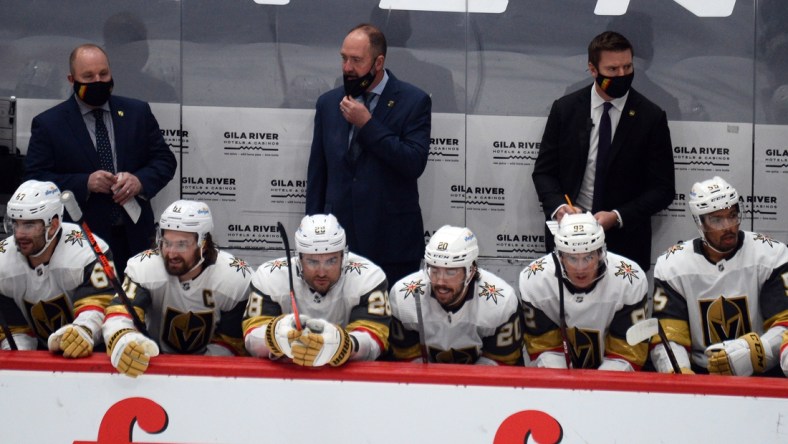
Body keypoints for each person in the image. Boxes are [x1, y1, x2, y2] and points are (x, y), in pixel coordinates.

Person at [25, 43, 176, 280]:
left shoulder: (137, 112)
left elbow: (165, 160)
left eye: (103, 74)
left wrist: (139, 181)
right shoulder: (49, 124)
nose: (98, 81)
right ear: (71, 79)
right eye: (88, 76)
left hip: (135, 238)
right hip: (80, 242)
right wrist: (85, 183)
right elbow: (35, 179)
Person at [532, 31, 674, 272]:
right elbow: (544, 173)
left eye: (627, 67)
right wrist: (559, 208)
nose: (622, 75)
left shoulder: (651, 117)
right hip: (569, 238)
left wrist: (618, 216)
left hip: (625, 242)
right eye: (613, 70)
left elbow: (663, 189)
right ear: (593, 69)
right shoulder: (565, 109)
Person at [305, 23, 432, 286]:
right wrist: (312, 233)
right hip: (336, 242)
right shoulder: (329, 103)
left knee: (392, 322)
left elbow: (413, 162)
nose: (347, 68)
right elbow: (318, 173)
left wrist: (368, 124)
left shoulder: (414, 101)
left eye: (356, 60)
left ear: (378, 62)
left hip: (391, 242)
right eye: (344, 58)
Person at [652, 176, 788, 376]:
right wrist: (679, 373)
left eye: (732, 216)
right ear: (700, 223)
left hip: (760, 371)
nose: (728, 226)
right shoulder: (672, 265)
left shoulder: (770, 254)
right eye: (716, 220)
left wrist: (751, 353)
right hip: (702, 373)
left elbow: (784, 324)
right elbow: (670, 336)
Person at [101, 200, 252, 377]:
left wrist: (195, 372)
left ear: (203, 243)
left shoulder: (233, 277)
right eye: (166, 243)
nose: (171, 253)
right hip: (153, 367)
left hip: (209, 376)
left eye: (181, 245)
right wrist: (125, 340)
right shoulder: (145, 268)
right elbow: (120, 314)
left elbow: (232, 343)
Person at [243, 214, 390, 367]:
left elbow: (375, 340)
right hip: (288, 375)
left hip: (345, 380)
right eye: (312, 261)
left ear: (343, 257)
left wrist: (344, 345)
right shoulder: (270, 276)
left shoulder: (368, 278)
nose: (321, 272)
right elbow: (251, 338)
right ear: (298, 259)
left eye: (331, 261)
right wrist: (276, 336)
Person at [519, 212, 649, 371]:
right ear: (560, 257)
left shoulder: (630, 279)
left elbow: (626, 355)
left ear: (601, 253)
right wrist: (565, 387)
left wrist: (597, 388)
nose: (580, 269)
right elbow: (545, 351)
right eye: (572, 258)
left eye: (588, 257)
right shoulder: (535, 280)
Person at [0, 180, 114, 357]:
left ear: (52, 226)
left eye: (29, 225)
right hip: (39, 354)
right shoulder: (2, 260)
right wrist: (19, 358)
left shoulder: (91, 251)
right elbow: (15, 329)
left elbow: (100, 305)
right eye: (15, 223)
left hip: (91, 354)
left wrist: (83, 330)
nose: (19, 234)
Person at [389, 225, 523, 365]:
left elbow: (501, 368)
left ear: (471, 271)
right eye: (434, 270)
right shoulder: (404, 297)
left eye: (450, 272)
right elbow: (405, 364)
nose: (440, 281)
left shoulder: (501, 302)